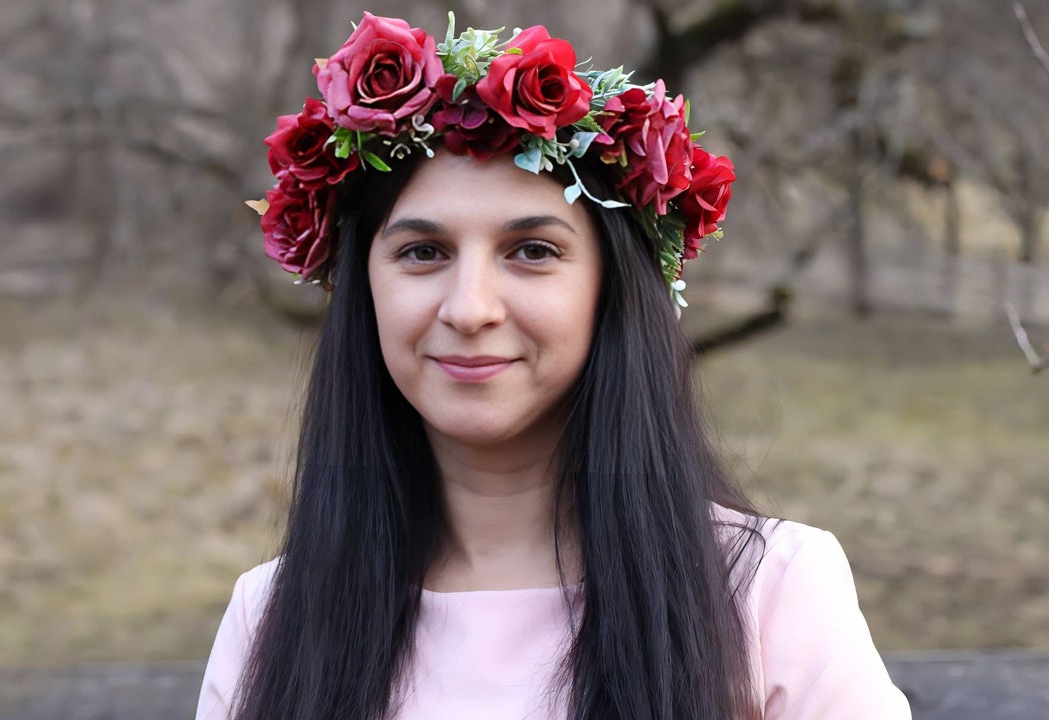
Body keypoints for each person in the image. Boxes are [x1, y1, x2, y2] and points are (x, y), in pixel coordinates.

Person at [197, 12, 911, 720]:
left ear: (611, 288)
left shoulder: (767, 592)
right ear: (365, 292)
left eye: (532, 251)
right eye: (423, 252)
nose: (470, 309)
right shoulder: (272, 617)